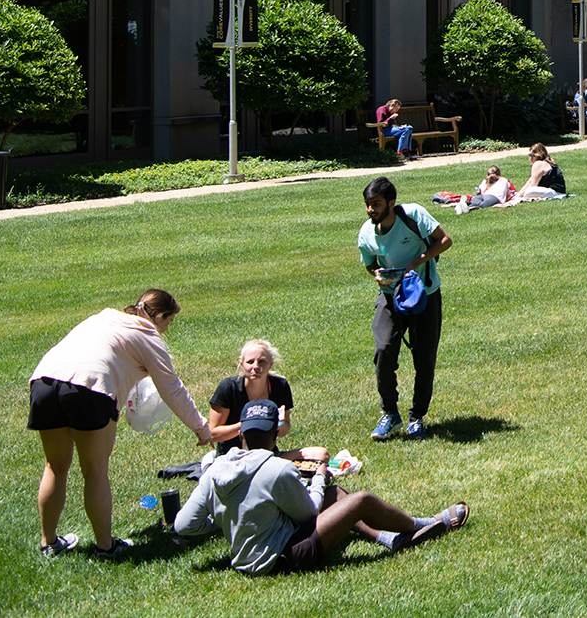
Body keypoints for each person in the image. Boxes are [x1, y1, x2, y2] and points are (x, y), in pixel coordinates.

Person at [175, 398, 468, 575]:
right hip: (283, 557)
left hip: (246, 558)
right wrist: (319, 475)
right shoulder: (276, 468)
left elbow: (184, 524)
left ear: (241, 435)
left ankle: (386, 538)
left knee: (336, 495)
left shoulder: (214, 470)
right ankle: (418, 526)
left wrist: (227, 518)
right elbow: (309, 514)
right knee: (360, 500)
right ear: (275, 434)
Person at [29, 289, 214, 558]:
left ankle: (49, 544)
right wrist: (200, 427)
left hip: (43, 381)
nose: (166, 329)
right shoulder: (148, 335)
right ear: (159, 316)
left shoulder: (104, 317)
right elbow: (171, 388)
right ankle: (106, 547)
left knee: (54, 466)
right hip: (90, 388)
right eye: (169, 322)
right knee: (95, 471)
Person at [358, 177, 453, 441]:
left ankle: (416, 418)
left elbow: (445, 241)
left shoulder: (413, 215)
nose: (371, 209)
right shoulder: (366, 232)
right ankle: (390, 413)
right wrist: (377, 274)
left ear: (391, 203)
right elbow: (369, 263)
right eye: (368, 204)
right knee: (383, 351)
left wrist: (416, 262)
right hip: (390, 297)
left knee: (424, 359)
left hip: (425, 295)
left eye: (376, 204)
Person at [205, 339, 324, 461]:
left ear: (271, 364)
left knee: (321, 454)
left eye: (261, 361)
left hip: (268, 457)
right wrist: (248, 424)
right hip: (232, 458)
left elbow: (283, 431)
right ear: (242, 364)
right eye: (250, 362)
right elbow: (213, 434)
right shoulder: (229, 388)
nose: (255, 366)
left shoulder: (280, 386)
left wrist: (280, 424)